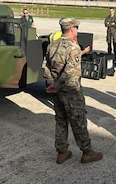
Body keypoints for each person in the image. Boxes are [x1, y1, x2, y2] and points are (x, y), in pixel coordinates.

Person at [43, 18, 103, 164]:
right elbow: (70, 71)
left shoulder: (52, 45)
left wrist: (52, 83)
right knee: (79, 121)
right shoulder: (73, 47)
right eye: (76, 27)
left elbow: (45, 66)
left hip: (56, 91)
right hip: (71, 91)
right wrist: (57, 85)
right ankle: (87, 152)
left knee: (61, 120)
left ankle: (62, 152)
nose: (77, 30)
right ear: (72, 29)